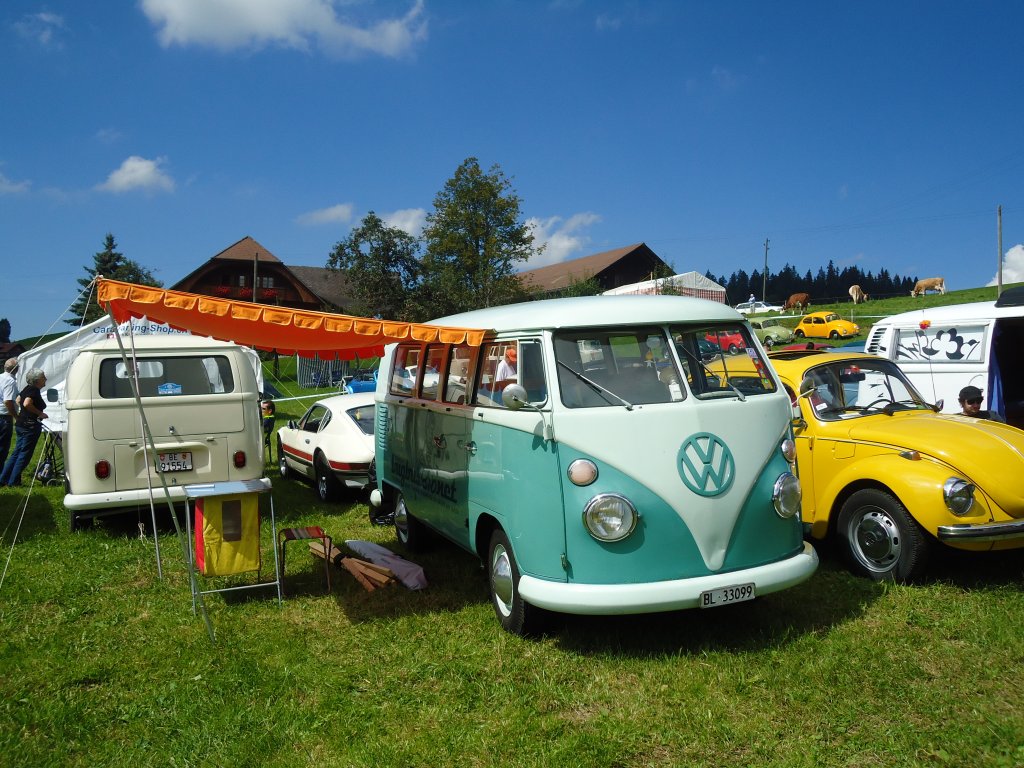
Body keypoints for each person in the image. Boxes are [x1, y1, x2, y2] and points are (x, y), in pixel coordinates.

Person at [0, 368, 48, 487]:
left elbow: (18, 400)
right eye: (43, 377)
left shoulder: (27, 388)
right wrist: (39, 413)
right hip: (29, 426)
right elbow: (26, 403)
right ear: (37, 380)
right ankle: (13, 482)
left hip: (21, 424)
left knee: (16, 452)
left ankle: (3, 479)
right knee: (24, 455)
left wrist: (23, 413)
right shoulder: (34, 390)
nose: (45, 379)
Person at [0, 358, 18, 470]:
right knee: (2, 447)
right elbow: (7, 401)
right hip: (4, 417)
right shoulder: (10, 381)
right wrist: (16, 416)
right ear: (16, 369)